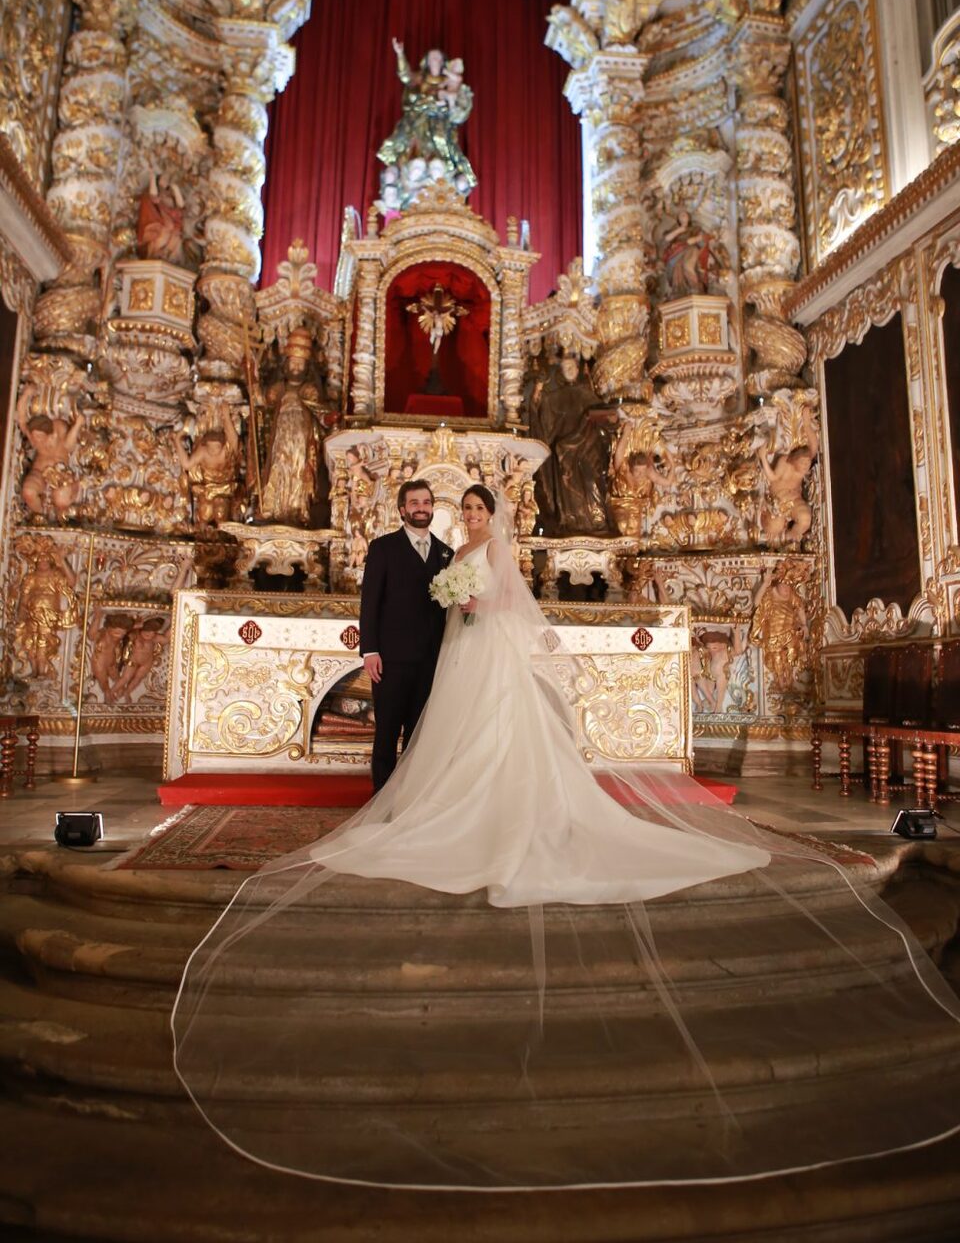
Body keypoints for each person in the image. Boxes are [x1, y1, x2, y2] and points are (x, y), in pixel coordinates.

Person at [174, 488, 960, 1189]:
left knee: (491, 745)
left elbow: (504, 607)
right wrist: (451, 607)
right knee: (441, 748)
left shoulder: (482, 553)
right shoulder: (441, 551)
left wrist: (472, 607)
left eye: (479, 512)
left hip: (485, 659)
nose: (472, 519)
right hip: (453, 659)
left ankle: (490, 814)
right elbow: (427, 600)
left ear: (490, 516)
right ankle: (434, 806)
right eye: (467, 511)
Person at [359, 478, 454, 791]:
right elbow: (370, 602)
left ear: (432, 508)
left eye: (426, 503)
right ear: (402, 509)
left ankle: (408, 800)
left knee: (417, 737)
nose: (421, 508)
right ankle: (380, 801)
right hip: (391, 660)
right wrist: (369, 650)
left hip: (429, 661)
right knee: (386, 732)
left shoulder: (446, 554)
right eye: (414, 503)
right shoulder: (383, 548)